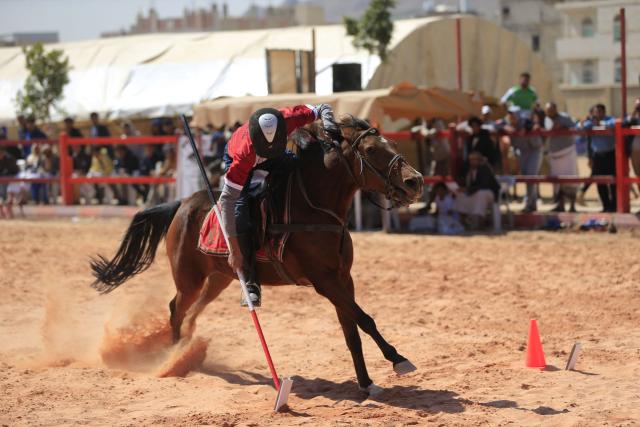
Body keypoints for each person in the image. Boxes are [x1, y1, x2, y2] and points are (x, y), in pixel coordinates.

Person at [220, 104, 339, 307]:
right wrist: (234, 251)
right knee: (241, 214)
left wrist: (329, 126)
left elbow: (323, 108)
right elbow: (226, 201)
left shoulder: (289, 117)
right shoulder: (244, 154)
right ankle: (250, 283)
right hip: (243, 159)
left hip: (276, 154)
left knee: (299, 169)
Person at [580, 103, 617, 212]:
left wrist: (600, 123)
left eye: (599, 111)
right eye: (595, 112)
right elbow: (581, 127)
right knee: (600, 182)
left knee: (613, 181)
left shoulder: (609, 119)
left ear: (604, 112)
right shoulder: (591, 121)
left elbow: (613, 124)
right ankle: (606, 206)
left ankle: (614, 206)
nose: (597, 114)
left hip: (610, 154)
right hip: (598, 156)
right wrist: (587, 122)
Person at [544, 102, 578, 212]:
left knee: (571, 180)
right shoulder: (546, 120)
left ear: (555, 109)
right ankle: (560, 205)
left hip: (567, 153)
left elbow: (575, 128)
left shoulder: (564, 117)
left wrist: (563, 128)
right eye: (547, 111)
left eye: (551, 110)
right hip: (554, 154)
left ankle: (572, 206)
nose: (549, 113)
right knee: (557, 182)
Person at [455, 151, 500, 229]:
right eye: (471, 160)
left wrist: (468, 189)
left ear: (479, 160)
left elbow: (483, 185)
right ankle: (464, 222)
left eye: (474, 159)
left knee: (481, 194)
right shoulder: (468, 169)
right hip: (473, 192)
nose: (472, 161)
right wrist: (464, 189)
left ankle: (480, 223)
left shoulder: (485, 168)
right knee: (460, 195)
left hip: (489, 192)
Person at [0, 146, 20, 218]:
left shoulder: (10, 158)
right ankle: (2, 212)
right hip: (2, 180)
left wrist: (6, 175)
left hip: (13, 178)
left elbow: (15, 171)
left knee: (10, 194)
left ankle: (9, 212)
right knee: (2, 194)